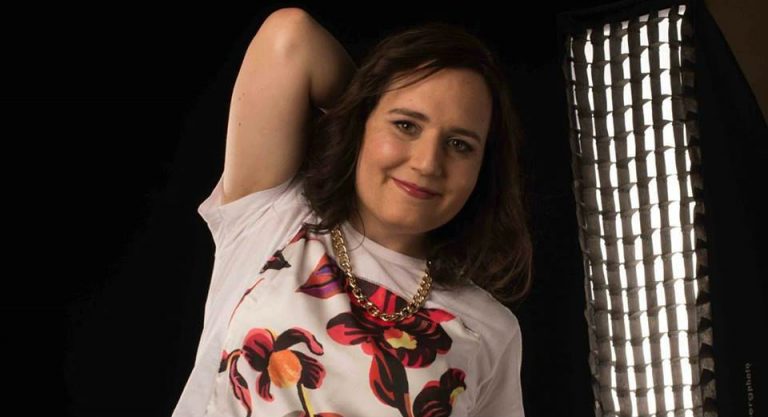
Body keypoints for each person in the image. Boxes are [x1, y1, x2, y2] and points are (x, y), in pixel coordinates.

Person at [172, 7, 533, 417]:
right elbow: (290, 36)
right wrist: (363, 106)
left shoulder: (489, 330)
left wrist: (382, 112)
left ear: (483, 169)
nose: (427, 163)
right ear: (361, 122)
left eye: (459, 145)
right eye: (406, 125)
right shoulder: (275, 217)